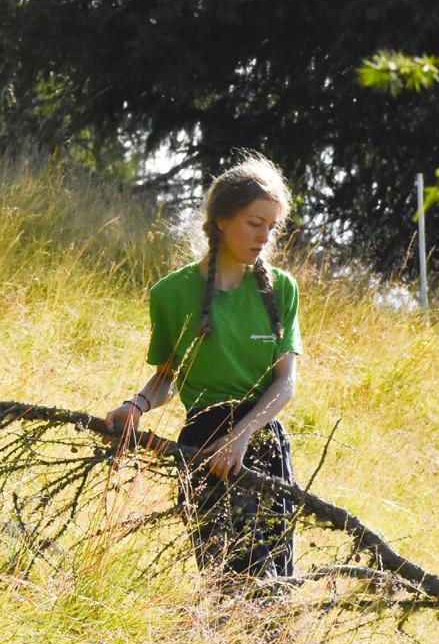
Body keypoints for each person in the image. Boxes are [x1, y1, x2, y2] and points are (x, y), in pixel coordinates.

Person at [106, 155, 304, 578]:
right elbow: (168, 378)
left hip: (262, 441)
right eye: (255, 223)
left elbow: (285, 382)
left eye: (272, 226)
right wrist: (135, 406)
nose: (265, 236)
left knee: (272, 579)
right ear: (221, 220)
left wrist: (242, 436)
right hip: (201, 443)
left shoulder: (282, 289)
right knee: (222, 578)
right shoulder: (171, 294)